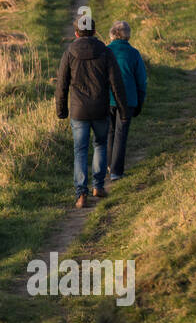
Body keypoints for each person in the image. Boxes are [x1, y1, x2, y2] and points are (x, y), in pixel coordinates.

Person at [56, 16, 128, 208]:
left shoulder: (70, 52)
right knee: (100, 145)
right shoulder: (105, 51)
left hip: (79, 111)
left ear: (76, 33)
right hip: (100, 108)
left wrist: (61, 110)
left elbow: (62, 84)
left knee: (79, 151)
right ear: (95, 32)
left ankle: (81, 194)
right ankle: (98, 186)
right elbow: (117, 83)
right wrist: (123, 110)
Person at [106, 20, 148, 181]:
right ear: (127, 35)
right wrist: (140, 101)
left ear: (112, 34)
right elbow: (141, 80)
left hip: (107, 99)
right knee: (121, 134)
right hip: (128, 100)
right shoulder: (134, 53)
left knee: (109, 132)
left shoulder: (105, 51)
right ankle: (116, 171)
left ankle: (109, 165)